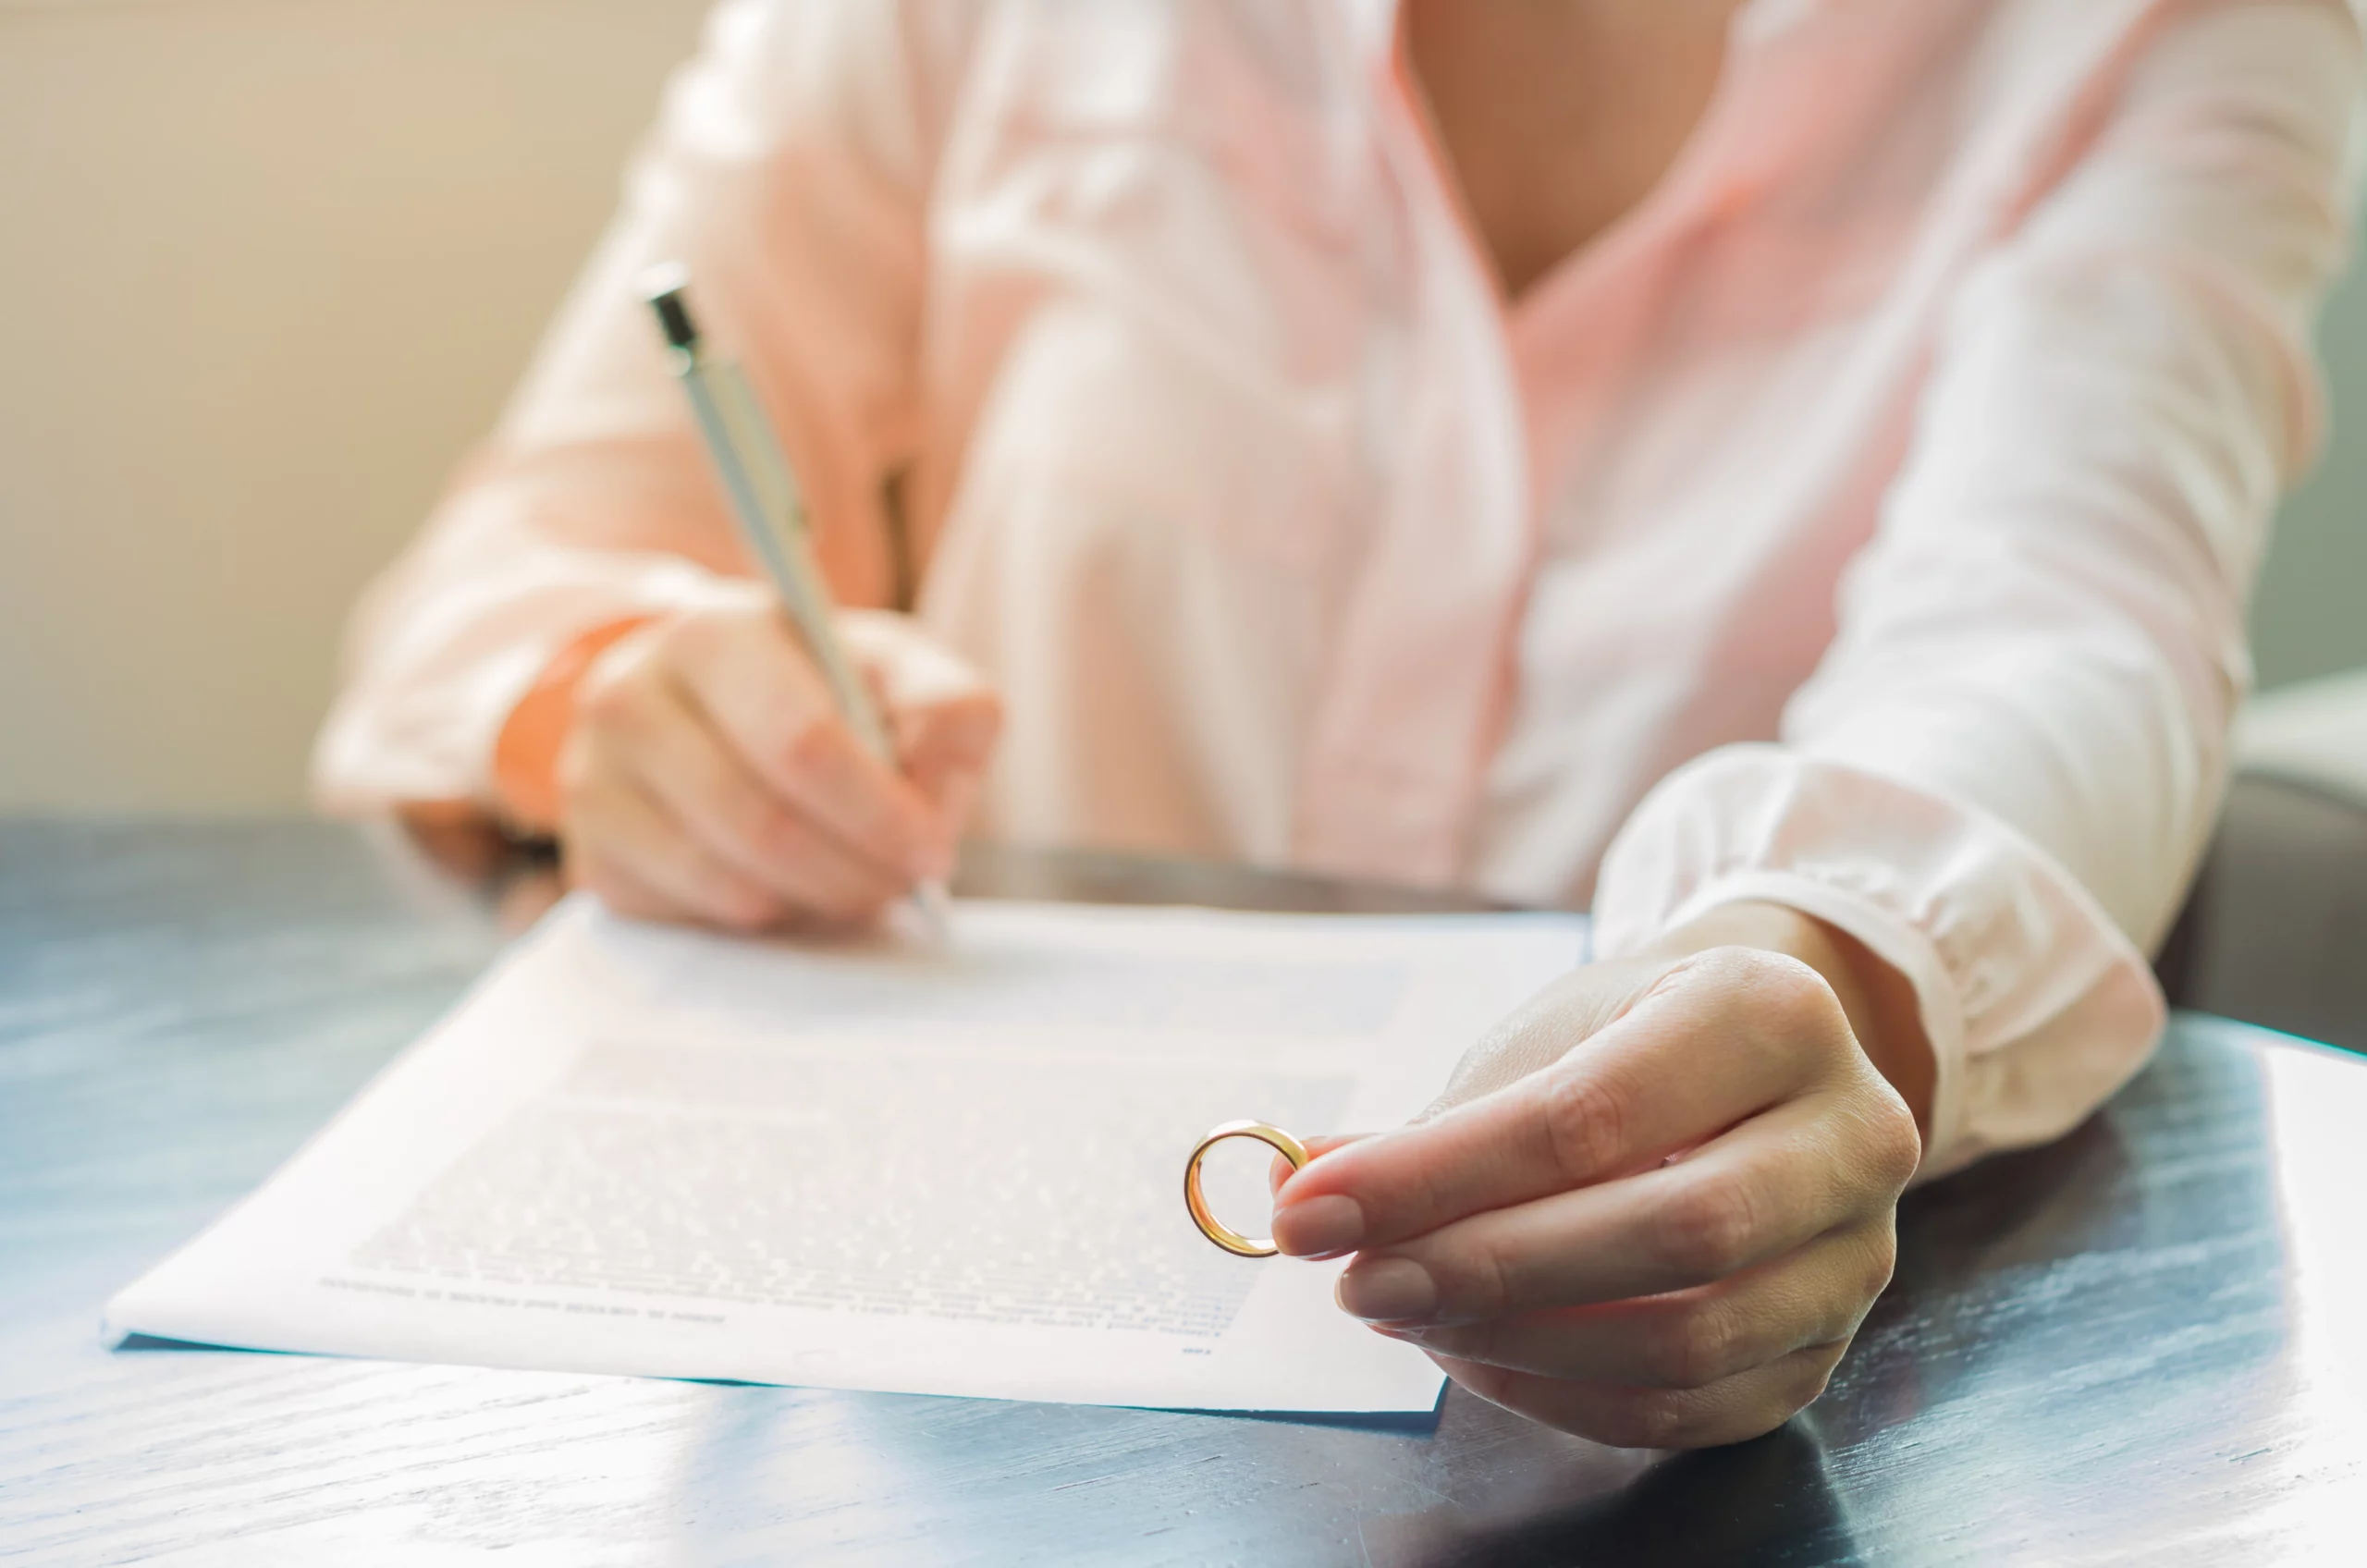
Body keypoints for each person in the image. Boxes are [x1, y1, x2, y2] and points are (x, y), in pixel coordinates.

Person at [314, 0, 2362, 1448]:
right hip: (955, 1385)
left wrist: (1816, 949)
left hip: (1655, 1428)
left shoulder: (2149, 31)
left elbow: (2063, 616)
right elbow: (512, 570)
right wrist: (625, 697)